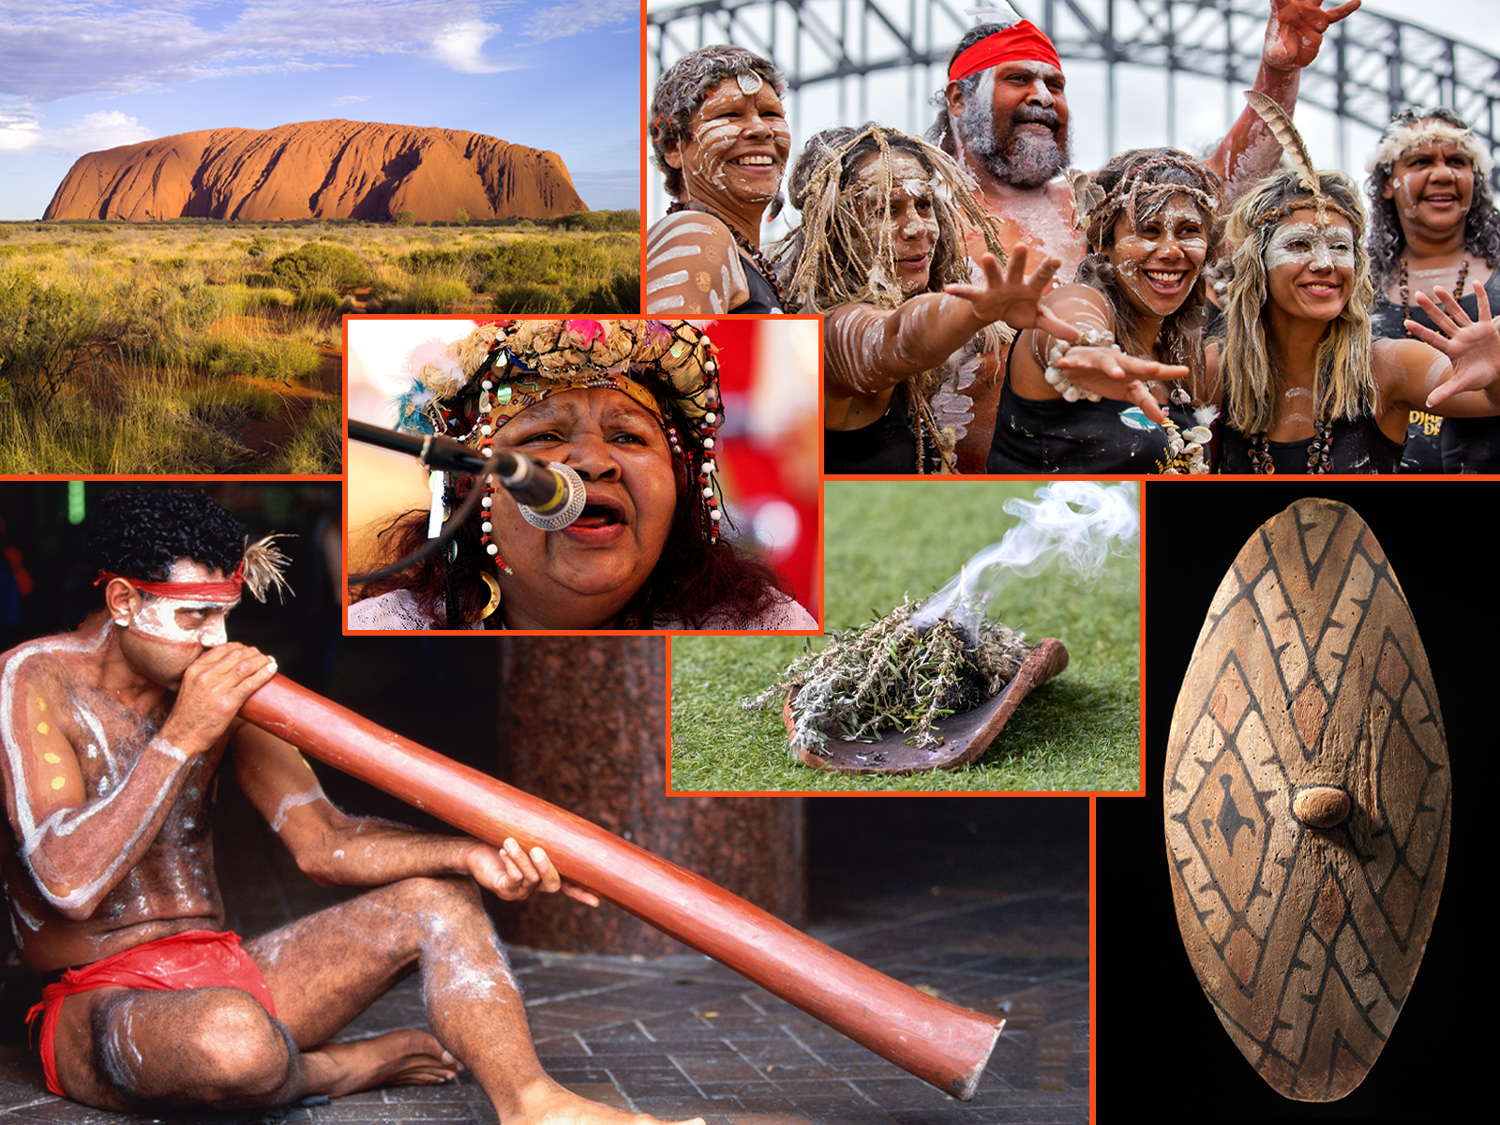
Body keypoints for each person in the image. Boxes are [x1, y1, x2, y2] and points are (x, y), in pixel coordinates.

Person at [0, 489, 697, 1125]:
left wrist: (469, 854)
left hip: (223, 970)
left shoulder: (211, 681)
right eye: (192, 616)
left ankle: (534, 1103)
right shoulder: (36, 679)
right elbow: (67, 881)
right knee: (235, 1041)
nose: (215, 641)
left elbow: (323, 838)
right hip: (96, 1000)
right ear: (123, 601)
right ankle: (332, 1068)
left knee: (441, 900)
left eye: (223, 615)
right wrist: (185, 734)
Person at [926, 0, 1361, 465]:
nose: (1043, 96)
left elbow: (1215, 187)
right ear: (959, 99)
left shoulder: (1091, 208)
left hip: (1102, 479)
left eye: (1055, 84)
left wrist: (1279, 73)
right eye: (1018, 79)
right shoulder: (920, 218)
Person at [349, 319, 815, 630]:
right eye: (543, 436)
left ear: (679, 483)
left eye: (629, 437)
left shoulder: (766, 627)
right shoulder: (384, 627)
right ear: (470, 483)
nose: (594, 461)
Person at [772, 124, 1071, 473]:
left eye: (924, 205)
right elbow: (894, 337)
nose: (917, 228)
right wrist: (972, 311)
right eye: (886, 210)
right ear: (836, 227)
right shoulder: (829, 333)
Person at [1214, 167, 1500, 472]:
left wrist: (1495, 375)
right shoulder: (1215, 372)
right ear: (1257, 261)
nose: (1325, 264)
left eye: (1339, 247)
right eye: (1299, 244)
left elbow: (1488, 400)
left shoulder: (1387, 367)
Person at [988, 148, 1223, 474]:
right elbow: (1071, 317)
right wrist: (1087, 348)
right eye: (1148, 231)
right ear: (1102, 243)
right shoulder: (1078, 301)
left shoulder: (1179, 360)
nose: (1171, 250)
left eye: (1188, 231)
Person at [1365, 106, 1500, 471]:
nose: (1443, 174)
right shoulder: (1350, 283)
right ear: (1386, 185)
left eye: (1458, 161)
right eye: (1421, 162)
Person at [646, 46, 791, 314]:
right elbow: (664, 353)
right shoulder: (696, 235)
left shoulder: (742, 257)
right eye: (729, 115)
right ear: (673, 149)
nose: (760, 129)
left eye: (771, 114)